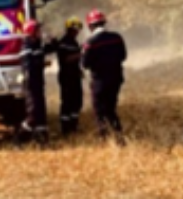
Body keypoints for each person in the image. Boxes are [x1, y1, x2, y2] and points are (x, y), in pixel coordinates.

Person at [80, 8, 127, 143]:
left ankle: (104, 138)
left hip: (100, 81)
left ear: (90, 26)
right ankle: (119, 137)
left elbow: (85, 64)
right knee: (111, 109)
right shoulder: (117, 38)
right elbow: (123, 56)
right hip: (116, 79)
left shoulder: (90, 42)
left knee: (100, 111)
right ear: (104, 22)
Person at [13, 18, 50, 146]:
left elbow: (45, 51)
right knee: (33, 114)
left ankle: (42, 141)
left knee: (41, 114)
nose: (40, 32)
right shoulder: (26, 47)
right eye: (38, 30)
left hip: (38, 84)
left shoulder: (36, 44)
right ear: (32, 32)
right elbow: (28, 66)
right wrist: (40, 63)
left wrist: (54, 42)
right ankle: (19, 139)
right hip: (31, 85)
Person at [46, 17, 84, 137]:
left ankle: (74, 126)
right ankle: (66, 129)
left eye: (78, 29)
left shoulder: (73, 41)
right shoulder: (65, 42)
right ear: (70, 29)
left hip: (74, 75)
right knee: (67, 102)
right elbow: (67, 59)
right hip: (67, 77)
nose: (77, 31)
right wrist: (81, 52)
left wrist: (79, 70)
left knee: (77, 101)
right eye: (76, 29)